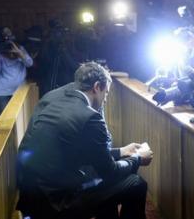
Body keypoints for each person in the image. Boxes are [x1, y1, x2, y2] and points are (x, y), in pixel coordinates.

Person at [17, 62, 153, 219]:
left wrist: (121, 152)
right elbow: (110, 171)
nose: (105, 100)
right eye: (106, 93)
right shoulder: (91, 116)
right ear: (97, 87)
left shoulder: (52, 97)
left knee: (102, 183)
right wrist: (137, 159)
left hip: (29, 197)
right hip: (57, 204)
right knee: (135, 183)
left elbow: (74, 152)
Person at [0, 26, 33, 119]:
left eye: (9, 33)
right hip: (2, 92)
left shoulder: (19, 48)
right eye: (4, 35)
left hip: (20, 90)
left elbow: (29, 63)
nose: (7, 37)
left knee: (22, 119)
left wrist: (19, 53)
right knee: (4, 121)